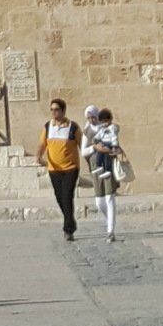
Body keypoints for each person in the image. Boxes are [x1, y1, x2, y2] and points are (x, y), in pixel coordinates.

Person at [39, 98, 82, 239]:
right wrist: (38, 156)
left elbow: (82, 144)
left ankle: (68, 229)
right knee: (59, 197)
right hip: (54, 168)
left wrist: (91, 160)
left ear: (63, 111)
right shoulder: (47, 127)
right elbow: (42, 143)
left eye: (56, 109)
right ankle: (71, 220)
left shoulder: (73, 127)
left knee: (67, 196)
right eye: (51, 109)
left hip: (71, 167)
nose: (53, 112)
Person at [84, 104, 122, 240]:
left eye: (93, 117)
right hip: (96, 166)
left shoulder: (111, 128)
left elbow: (115, 146)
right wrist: (95, 147)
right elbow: (83, 151)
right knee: (99, 201)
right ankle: (109, 222)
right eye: (88, 117)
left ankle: (110, 230)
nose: (91, 120)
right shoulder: (87, 131)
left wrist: (106, 149)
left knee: (109, 198)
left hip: (109, 164)